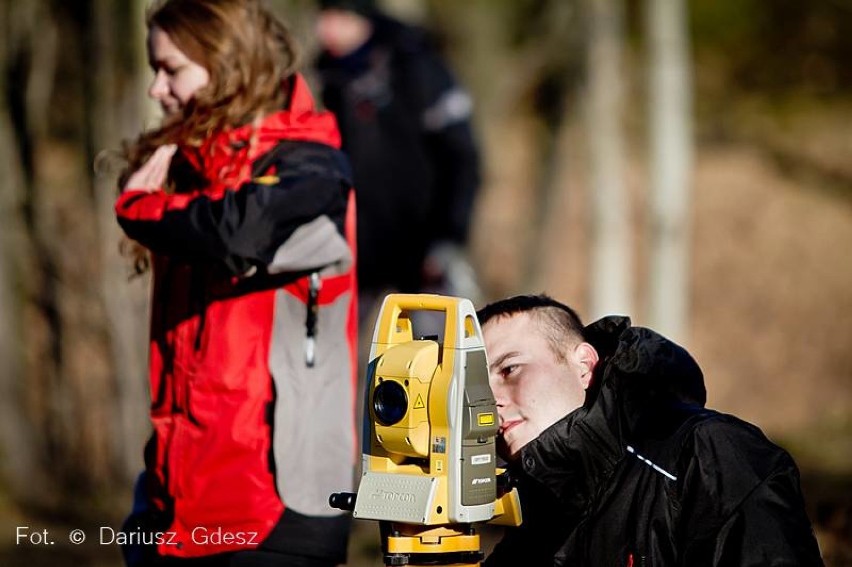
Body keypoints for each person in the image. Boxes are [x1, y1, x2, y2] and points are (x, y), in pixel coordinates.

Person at [114, 1, 357, 565]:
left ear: (229, 65)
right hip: (172, 505)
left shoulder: (312, 165)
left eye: (171, 69)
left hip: (277, 511)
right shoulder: (192, 178)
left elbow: (241, 233)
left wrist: (145, 210)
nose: (156, 90)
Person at [477, 294, 824, 566]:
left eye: (509, 369)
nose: (489, 400)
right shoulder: (534, 521)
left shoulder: (709, 456)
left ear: (584, 364)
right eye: (477, 386)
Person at [314, 0, 482, 329]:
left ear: (362, 19)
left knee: (434, 357)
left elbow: (462, 156)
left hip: (422, 247)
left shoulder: (417, 66)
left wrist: (450, 235)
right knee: (332, 350)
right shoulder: (326, 78)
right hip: (355, 247)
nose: (325, 28)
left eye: (337, 16)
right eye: (323, 16)